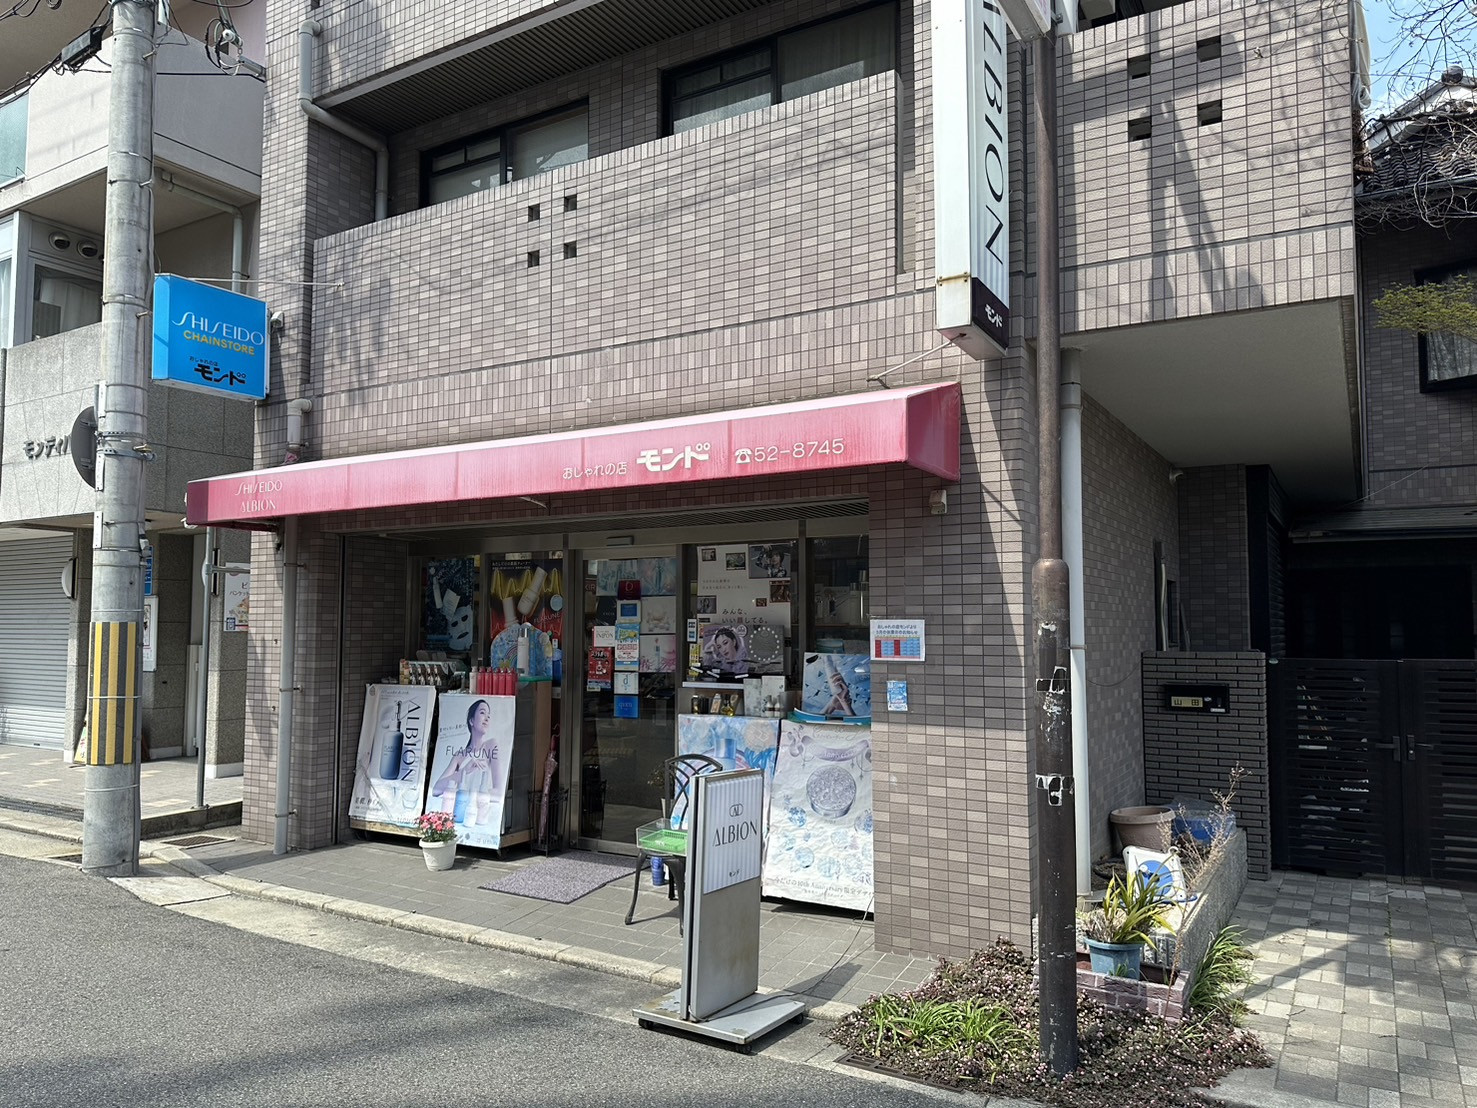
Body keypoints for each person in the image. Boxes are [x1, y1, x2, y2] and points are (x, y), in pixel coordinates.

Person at [431, 699, 499, 826]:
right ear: (471, 720)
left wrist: (476, 797)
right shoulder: (459, 755)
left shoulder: (491, 746)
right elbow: (436, 790)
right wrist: (464, 771)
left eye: (488, 716)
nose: (486, 718)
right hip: (459, 817)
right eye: (482, 713)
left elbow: (498, 791)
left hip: (479, 818)